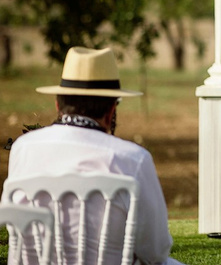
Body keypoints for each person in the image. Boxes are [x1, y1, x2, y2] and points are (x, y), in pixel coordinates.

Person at [7, 47, 184, 265]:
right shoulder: (133, 159)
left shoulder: (23, 149)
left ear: (57, 104)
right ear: (111, 111)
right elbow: (156, 251)